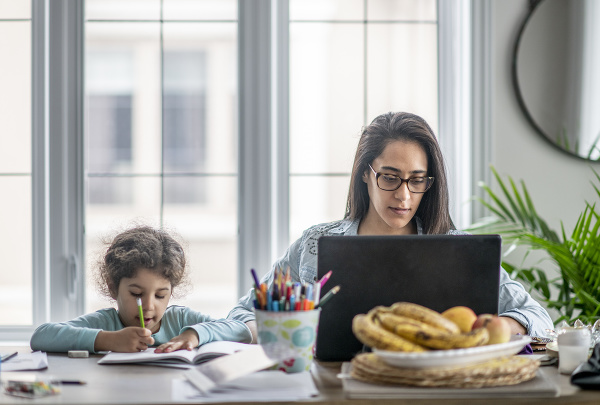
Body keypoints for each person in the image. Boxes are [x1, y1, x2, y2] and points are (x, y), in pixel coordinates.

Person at [228, 111, 553, 342]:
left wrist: (493, 328)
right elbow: (243, 313)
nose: (403, 195)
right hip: (331, 390)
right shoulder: (315, 243)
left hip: (442, 392)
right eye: (390, 177)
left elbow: (538, 317)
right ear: (366, 173)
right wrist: (278, 330)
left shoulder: (459, 247)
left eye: (416, 180)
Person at [31, 225, 252, 353]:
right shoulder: (105, 323)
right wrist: (109, 340)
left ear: (171, 293)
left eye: (160, 295)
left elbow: (241, 330)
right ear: (112, 287)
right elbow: (41, 336)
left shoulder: (181, 320)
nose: (148, 306)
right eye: (136, 294)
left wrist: (195, 334)